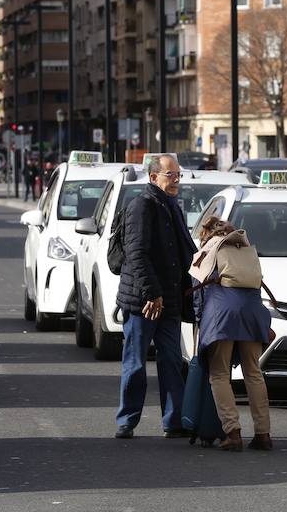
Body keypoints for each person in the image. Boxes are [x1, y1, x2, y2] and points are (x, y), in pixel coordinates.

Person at [115, 155, 197, 439]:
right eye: (170, 175)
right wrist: (153, 293)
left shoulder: (171, 205)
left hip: (169, 300)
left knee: (172, 361)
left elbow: (179, 254)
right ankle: (127, 420)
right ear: (153, 178)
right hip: (143, 302)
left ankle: (174, 421)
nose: (176, 181)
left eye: (178, 175)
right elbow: (136, 254)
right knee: (136, 363)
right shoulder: (142, 206)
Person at [190, 217, 272, 452]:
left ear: (206, 234)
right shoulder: (246, 251)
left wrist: (201, 324)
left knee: (219, 374)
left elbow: (198, 297)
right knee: (254, 373)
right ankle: (263, 434)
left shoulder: (206, 252)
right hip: (253, 315)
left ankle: (232, 432)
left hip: (222, 316)